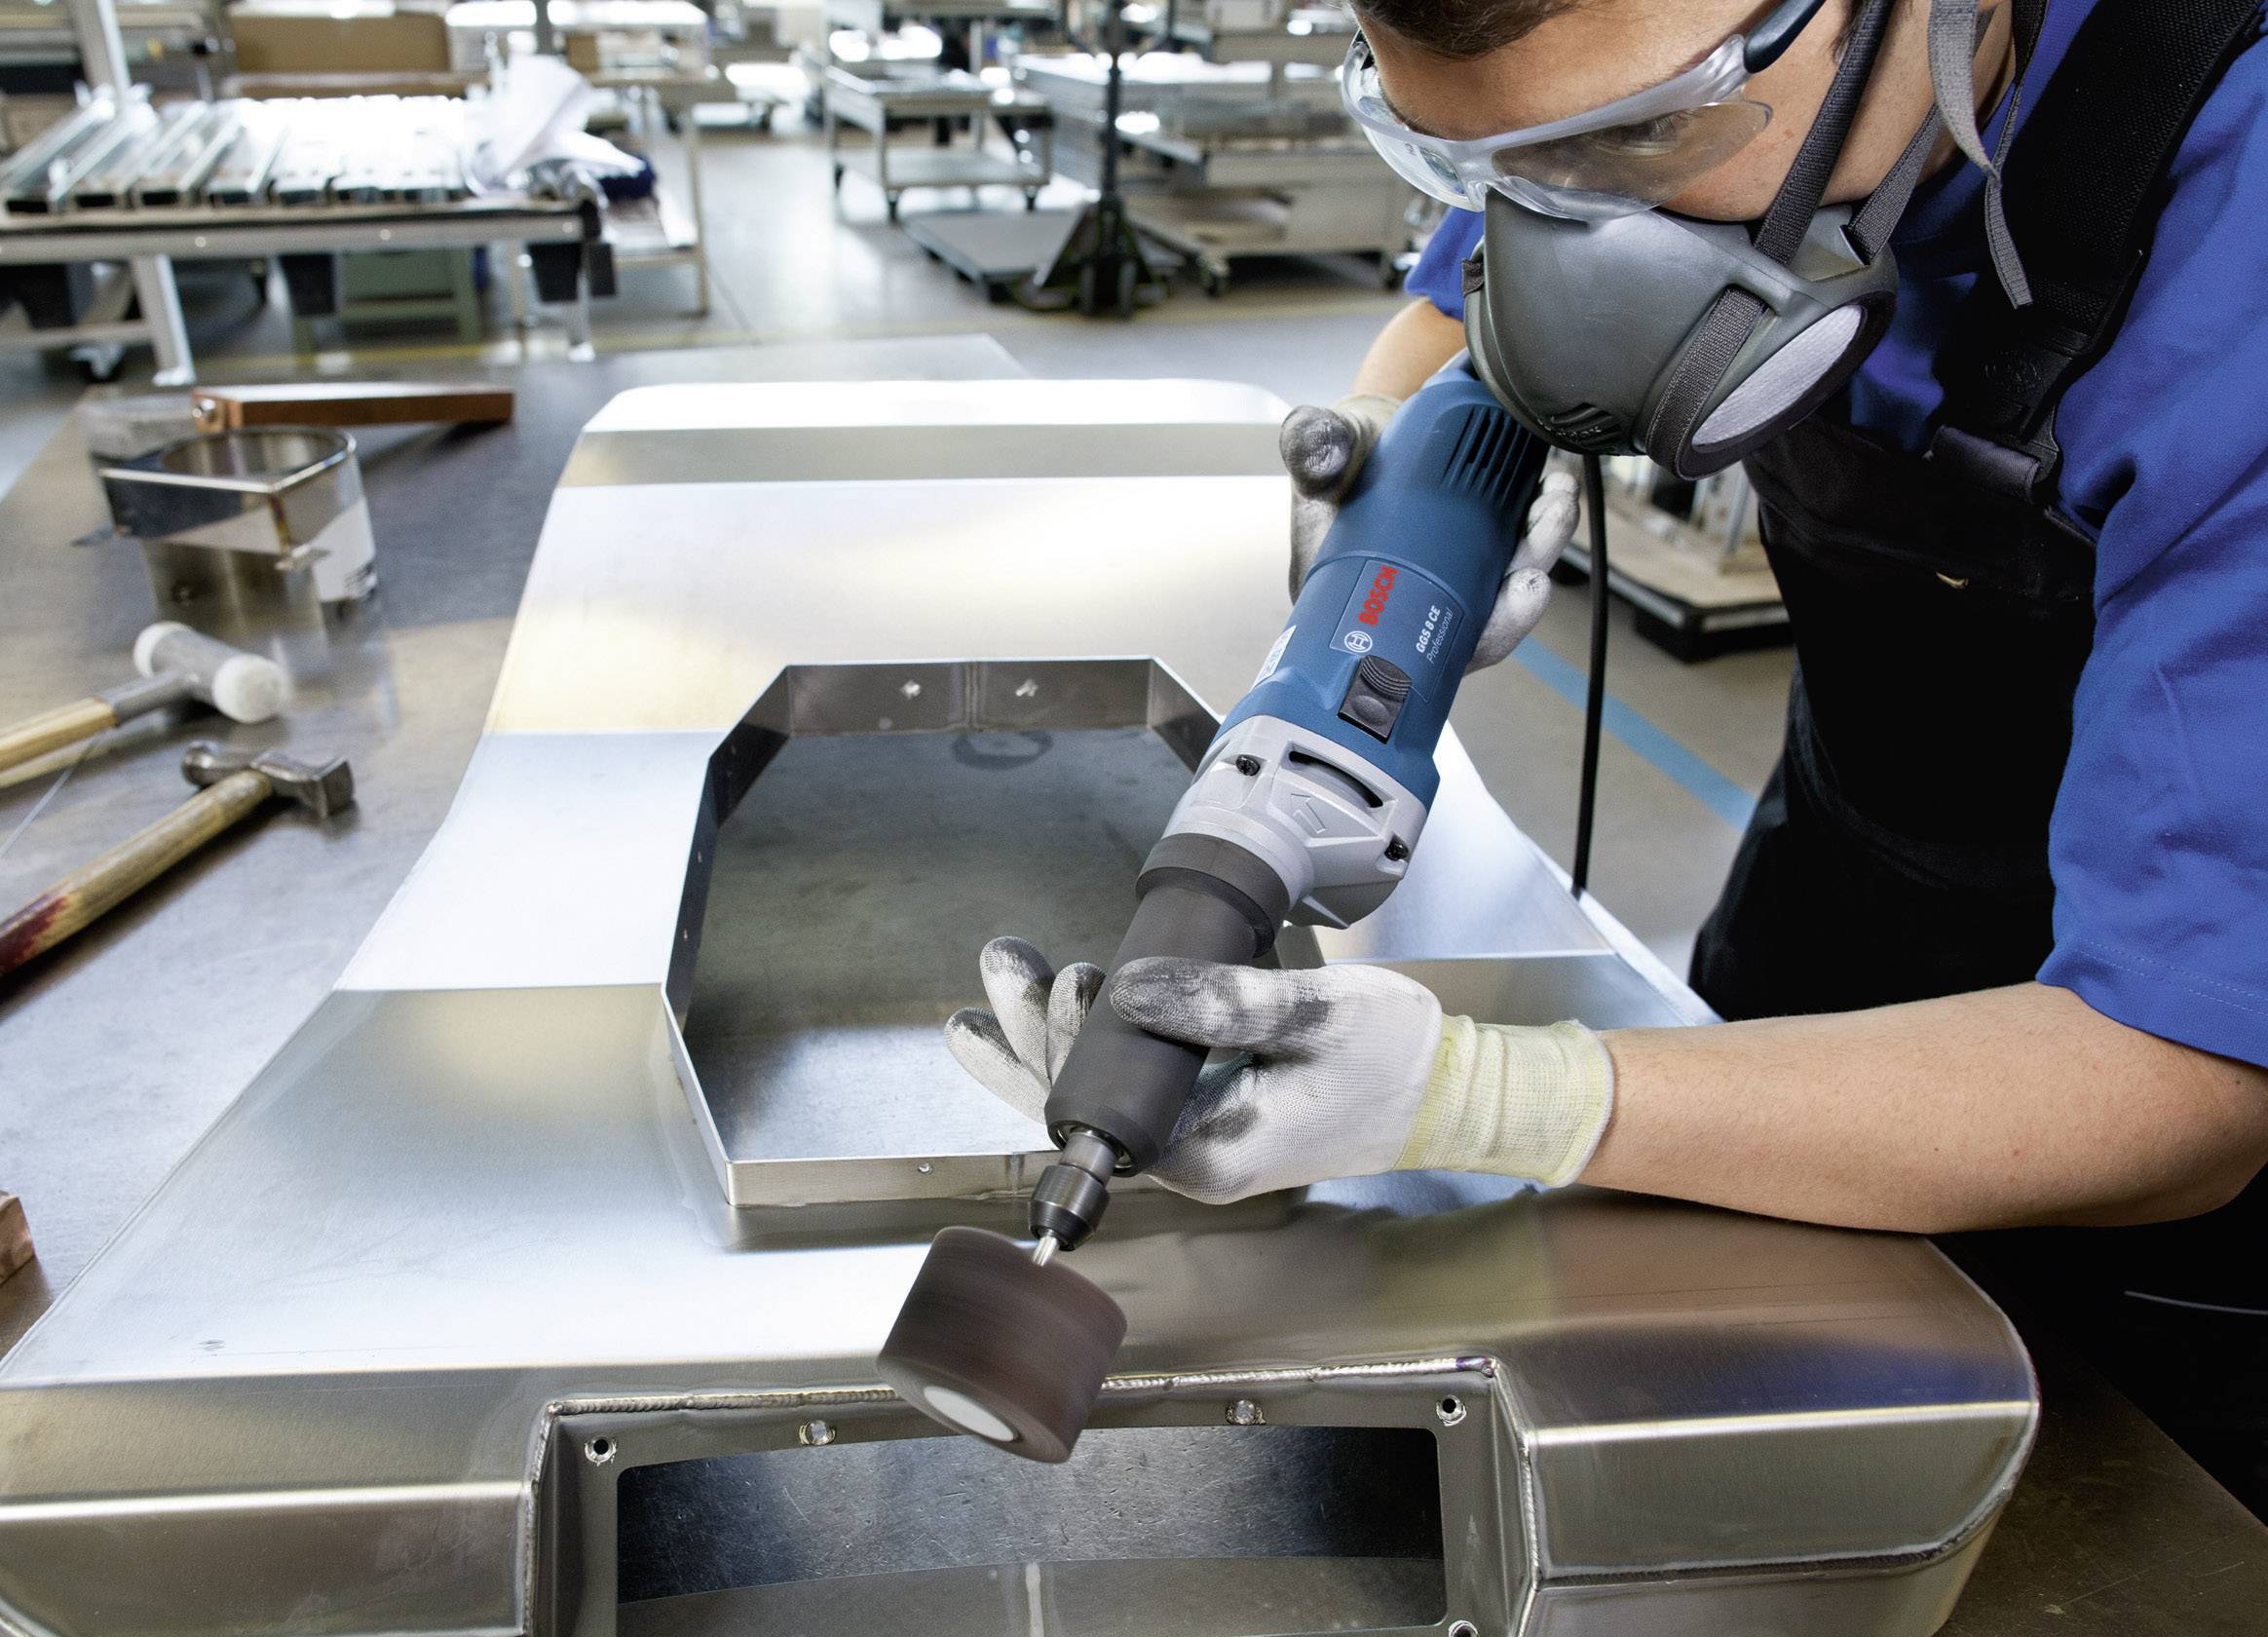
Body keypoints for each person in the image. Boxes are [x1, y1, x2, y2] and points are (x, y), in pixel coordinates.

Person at [947, 0, 2268, 1509]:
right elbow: (1459, 312)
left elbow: (2191, 1075)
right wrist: (1391, 481)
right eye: (1485, 166)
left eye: (1634, 138)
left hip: (2163, 1171)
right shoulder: (1638, 71)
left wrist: (1493, 1101)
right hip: (1840, 880)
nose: (1569, 231)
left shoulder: (2240, 228)